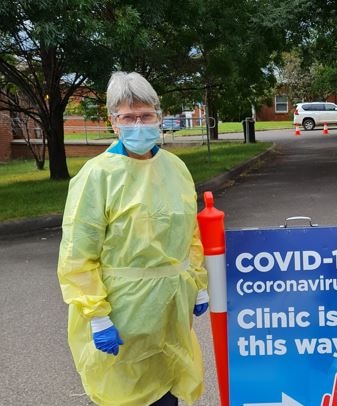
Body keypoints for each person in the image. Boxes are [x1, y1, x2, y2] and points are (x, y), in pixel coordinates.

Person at [57, 71, 209, 406]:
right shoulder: (96, 177)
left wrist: (198, 282)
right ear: (114, 122)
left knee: (168, 388)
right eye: (128, 117)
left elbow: (189, 232)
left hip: (171, 308)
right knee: (128, 395)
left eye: (146, 115)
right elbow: (78, 254)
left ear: (159, 117)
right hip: (123, 313)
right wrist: (96, 316)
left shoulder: (176, 168)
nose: (138, 124)